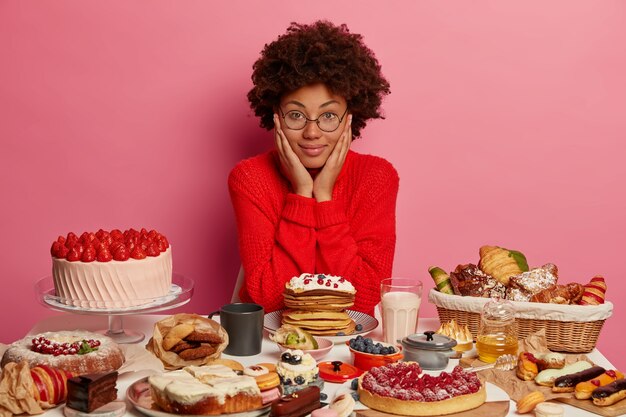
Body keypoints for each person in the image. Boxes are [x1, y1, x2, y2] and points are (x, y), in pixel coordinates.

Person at [228, 20, 399, 315]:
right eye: (296, 115)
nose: (312, 133)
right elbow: (270, 301)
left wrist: (325, 199)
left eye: (328, 116)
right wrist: (302, 193)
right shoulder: (250, 178)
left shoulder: (377, 177)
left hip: (347, 348)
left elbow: (363, 300)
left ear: (350, 117)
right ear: (276, 116)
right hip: (269, 350)